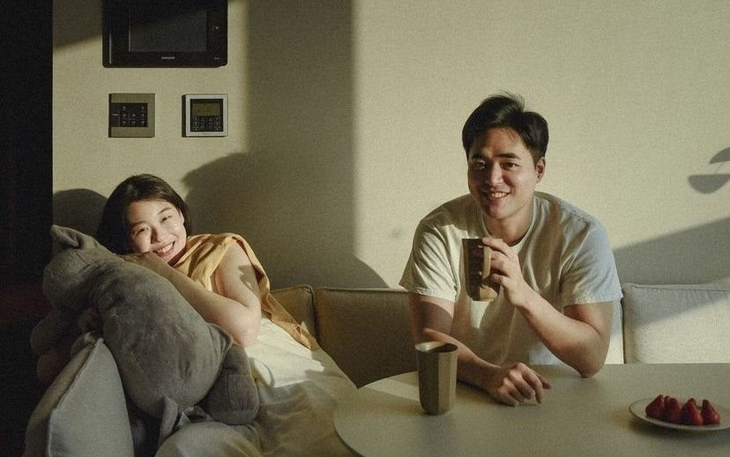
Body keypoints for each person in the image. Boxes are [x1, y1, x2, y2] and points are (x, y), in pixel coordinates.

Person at [94, 174, 355, 456]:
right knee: (183, 449)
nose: (160, 236)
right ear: (127, 240)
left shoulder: (220, 248)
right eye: (142, 230)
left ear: (181, 214)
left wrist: (166, 274)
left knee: (327, 438)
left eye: (166, 218)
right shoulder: (131, 281)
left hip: (272, 366)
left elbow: (244, 330)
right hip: (213, 400)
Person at [400, 93, 622, 407]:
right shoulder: (440, 229)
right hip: (466, 389)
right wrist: (488, 376)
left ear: (539, 170)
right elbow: (428, 336)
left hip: (552, 394)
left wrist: (523, 294)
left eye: (509, 164)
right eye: (480, 164)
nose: (492, 179)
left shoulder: (581, 235)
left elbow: (592, 358)